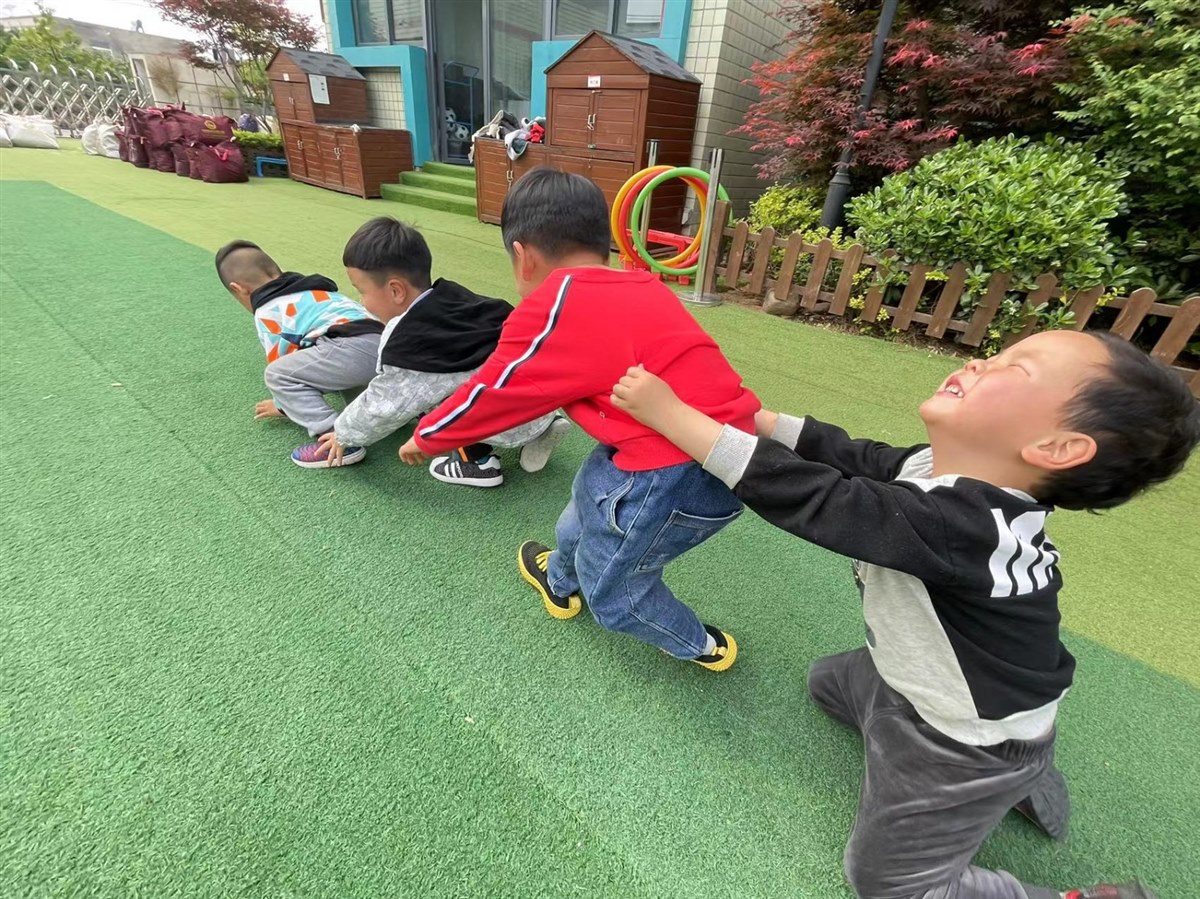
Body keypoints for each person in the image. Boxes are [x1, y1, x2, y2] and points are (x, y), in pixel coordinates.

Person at [609, 330, 1200, 899]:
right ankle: (1015, 769)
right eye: (998, 353)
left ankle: (1012, 785)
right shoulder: (939, 473)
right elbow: (853, 456)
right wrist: (758, 419)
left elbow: (821, 499)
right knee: (826, 684)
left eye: (1015, 369)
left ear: (1056, 448)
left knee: (888, 884)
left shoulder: (963, 527)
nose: (980, 362)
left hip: (965, 739)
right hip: (924, 682)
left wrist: (676, 419)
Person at [398, 168, 760, 670]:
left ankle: (699, 643)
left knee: (613, 593)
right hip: (721, 450)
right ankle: (559, 578)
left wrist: (427, 436)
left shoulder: (555, 306)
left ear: (523, 255)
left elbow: (493, 392)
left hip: (672, 473)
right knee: (586, 504)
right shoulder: (644, 284)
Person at [305, 216, 571, 485]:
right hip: (540, 402)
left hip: (504, 419)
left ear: (396, 290)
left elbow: (385, 404)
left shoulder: (412, 341)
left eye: (362, 292)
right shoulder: (455, 297)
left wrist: (344, 433)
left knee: (433, 397)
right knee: (473, 375)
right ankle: (543, 427)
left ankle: (477, 464)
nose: (362, 302)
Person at [214, 240, 383, 466]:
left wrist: (282, 405)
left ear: (239, 289)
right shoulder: (315, 291)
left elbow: (285, 363)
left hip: (353, 350)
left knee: (277, 375)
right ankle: (385, 413)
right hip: (385, 347)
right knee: (339, 369)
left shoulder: (268, 311)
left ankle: (336, 438)